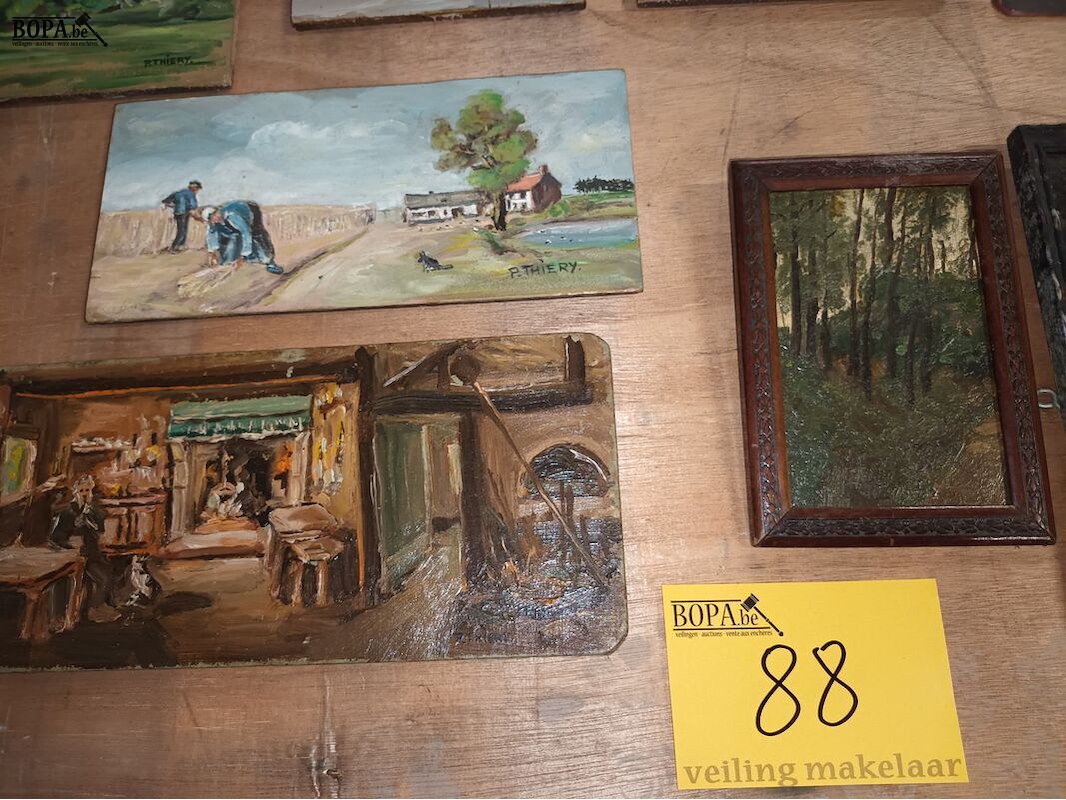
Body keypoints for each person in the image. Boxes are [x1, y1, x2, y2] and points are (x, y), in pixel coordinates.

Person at [50, 475, 114, 613]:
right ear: (75, 492)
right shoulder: (67, 511)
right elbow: (56, 537)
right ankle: (89, 610)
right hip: (73, 555)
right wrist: (73, 530)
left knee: (107, 575)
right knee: (100, 578)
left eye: (87, 490)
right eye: (81, 490)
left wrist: (91, 521)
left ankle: (95, 608)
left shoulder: (94, 510)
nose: (84, 494)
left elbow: (101, 530)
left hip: (91, 553)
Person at [198, 201, 283, 275]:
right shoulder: (213, 222)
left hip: (250, 211)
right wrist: (212, 252)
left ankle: (269, 263)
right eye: (210, 220)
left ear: (217, 212)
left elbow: (246, 233)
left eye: (213, 217)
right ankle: (229, 261)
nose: (213, 221)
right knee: (228, 242)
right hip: (234, 218)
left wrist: (242, 256)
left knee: (257, 236)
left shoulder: (232, 216)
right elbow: (211, 233)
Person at [161, 180, 202, 253]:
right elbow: (193, 206)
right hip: (185, 213)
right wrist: (198, 216)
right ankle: (174, 247)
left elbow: (165, 201)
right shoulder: (191, 194)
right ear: (194, 188)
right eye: (197, 189)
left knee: (182, 230)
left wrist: (175, 206)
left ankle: (178, 246)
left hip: (178, 213)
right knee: (182, 231)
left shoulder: (178, 192)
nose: (197, 191)